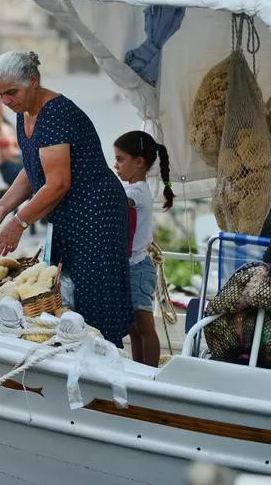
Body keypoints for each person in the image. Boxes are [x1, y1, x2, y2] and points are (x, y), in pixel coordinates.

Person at [0, 51, 134, 345]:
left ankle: (106, 363)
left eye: (11, 92)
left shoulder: (56, 113)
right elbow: (32, 171)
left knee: (94, 298)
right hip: (69, 216)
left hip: (95, 213)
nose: (6, 101)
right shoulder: (23, 113)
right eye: (0, 95)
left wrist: (19, 222)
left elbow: (57, 184)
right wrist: (1, 207)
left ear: (33, 80)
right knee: (65, 293)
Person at [113, 131, 174, 367]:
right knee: (133, 328)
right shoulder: (133, 190)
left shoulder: (135, 192)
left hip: (138, 268)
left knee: (144, 325)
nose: (115, 165)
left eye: (120, 159)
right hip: (131, 266)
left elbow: (119, 202)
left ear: (139, 162)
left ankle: (150, 375)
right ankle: (138, 370)